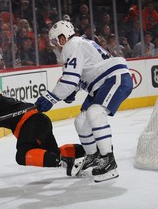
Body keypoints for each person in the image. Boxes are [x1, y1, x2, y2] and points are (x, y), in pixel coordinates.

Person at [35, 20, 133, 182]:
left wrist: (50, 97)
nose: (54, 46)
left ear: (63, 38)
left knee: (95, 112)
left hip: (114, 78)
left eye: (54, 42)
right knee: (81, 122)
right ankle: (93, 155)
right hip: (101, 84)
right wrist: (71, 91)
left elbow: (69, 81)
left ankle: (109, 161)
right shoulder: (76, 46)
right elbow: (78, 78)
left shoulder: (72, 46)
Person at [0, 81, 85, 177]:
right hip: (39, 121)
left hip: (28, 123)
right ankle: (88, 152)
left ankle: (64, 163)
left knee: (22, 155)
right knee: (52, 153)